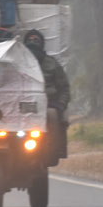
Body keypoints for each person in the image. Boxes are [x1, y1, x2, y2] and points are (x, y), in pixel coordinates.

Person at [23, 28, 70, 161]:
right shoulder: (18, 63)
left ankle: (51, 152)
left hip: (48, 103)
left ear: (42, 43)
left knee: (52, 114)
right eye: (30, 40)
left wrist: (61, 104)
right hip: (23, 104)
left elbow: (64, 88)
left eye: (36, 40)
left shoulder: (52, 64)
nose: (33, 43)